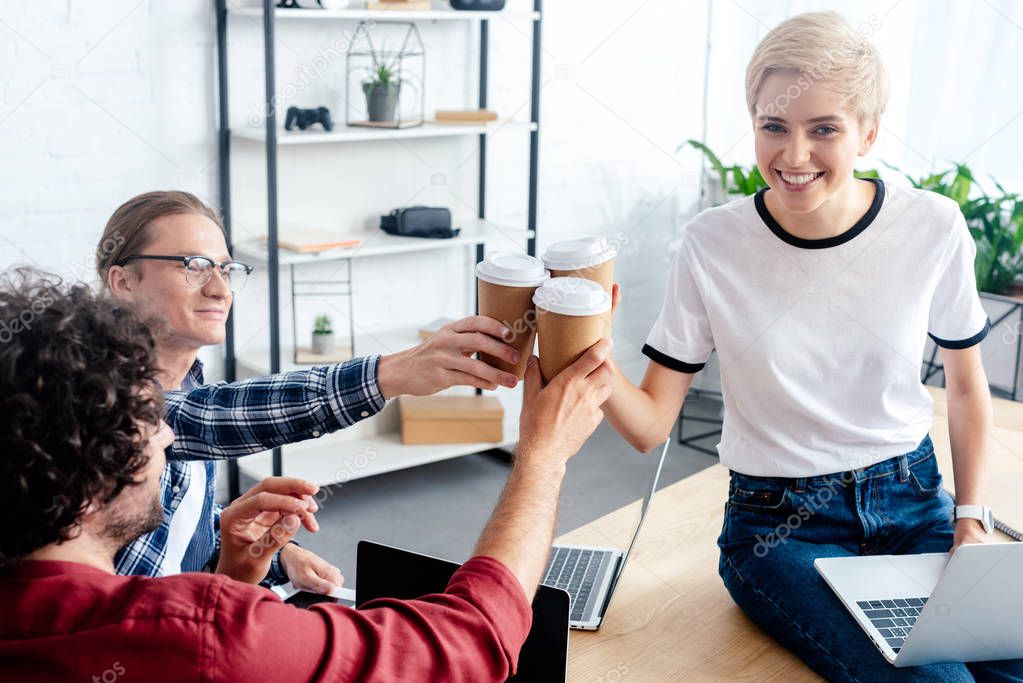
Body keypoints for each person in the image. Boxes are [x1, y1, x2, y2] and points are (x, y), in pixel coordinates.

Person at [600, 12, 1023, 682]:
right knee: (937, 679)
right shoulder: (712, 244)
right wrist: (583, 355)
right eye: (773, 127)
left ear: (868, 132)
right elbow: (650, 422)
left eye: (822, 129)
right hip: (780, 532)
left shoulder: (931, 226)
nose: (792, 155)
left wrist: (969, 520)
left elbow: (967, 387)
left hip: (914, 504)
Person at [0, 268, 613, 681]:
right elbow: (472, 645)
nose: (167, 433)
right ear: (83, 495)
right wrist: (542, 456)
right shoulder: (191, 631)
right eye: (145, 420)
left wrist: (234, 577)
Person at [97, 191, 524, 593]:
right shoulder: (96, 396)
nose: (220, 289)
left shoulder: (188, 381)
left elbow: (181, 519)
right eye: (193, 265)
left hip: (185, 618)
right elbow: (206, 417)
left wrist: (280, 554)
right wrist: (391, 373)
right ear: (123, 281)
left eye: (226, 269)